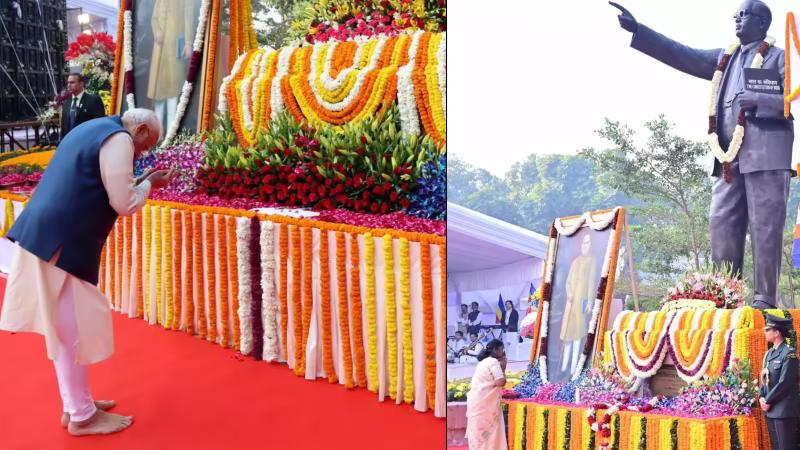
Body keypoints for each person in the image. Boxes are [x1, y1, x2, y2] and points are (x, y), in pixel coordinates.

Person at [0, 108, 177, 436]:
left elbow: (102, 184)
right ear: (139, 130)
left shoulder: (96, 127)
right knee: (72, 329)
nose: (141, 153)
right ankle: (81, 416)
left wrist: (142, 181)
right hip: (62, 241)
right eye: (145, 146)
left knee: (68, 327)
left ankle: (76, 405)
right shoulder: (120, 139)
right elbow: (124, 203)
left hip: (49, 234)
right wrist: (150, 184)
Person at [611, 0, 793, 310]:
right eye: (735, 15)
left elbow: (793, 98)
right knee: (721, 222)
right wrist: (640, 30)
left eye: (744, 14)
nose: (736, 19)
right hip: (728, 159)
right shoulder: (726, 58)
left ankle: (765, 299)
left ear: (763, 22)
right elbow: (683, 54)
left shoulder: (780, 57)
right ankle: (727, 296)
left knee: (765, 229)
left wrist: (760, 100)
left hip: (766, 156)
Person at [759, 315, 799, 450]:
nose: (765, 332)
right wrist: (761, 397)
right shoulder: (769, 354)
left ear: (777, 333)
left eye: (767, 330)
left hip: (783, 410)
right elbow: (764, 378)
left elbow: (785, 382)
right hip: (770, 410)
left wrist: (767, 400)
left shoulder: (789, 353)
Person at [560, 233, 596, 374]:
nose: (585, 246)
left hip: (582, 301)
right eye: (583, 243)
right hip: (570, 303)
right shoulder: (575, 261)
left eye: (588, 243)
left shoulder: (592, 261)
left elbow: (591, 283)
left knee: (578, 334)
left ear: (591, 245)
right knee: (568, 335)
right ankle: (564, 367)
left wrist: (590, 301)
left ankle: (574, 367)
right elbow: (568, 281)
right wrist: (569, 292)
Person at [465, 339, 508, 450]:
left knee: (479, 433)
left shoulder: (483, 362)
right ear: (496, 350)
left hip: (477, 401)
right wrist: (503, 368)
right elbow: (500, 382)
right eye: (502, 349)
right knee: (490, 432)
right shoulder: (493, 362)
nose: (503, 352)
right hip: (486, 405)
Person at [60, 73, 106, 138]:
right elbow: (63, 128)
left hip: (87, 141)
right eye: (68, 83)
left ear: (81, 84)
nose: (69, 85)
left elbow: (100, 125)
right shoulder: (66, 103)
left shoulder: (94, 101)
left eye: (72, 82)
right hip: (70, 142)